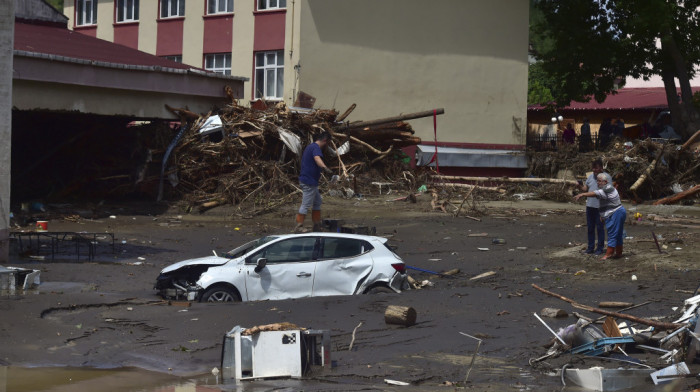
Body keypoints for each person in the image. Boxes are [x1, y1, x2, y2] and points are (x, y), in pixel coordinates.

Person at [574, 173, 626, 260]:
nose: (597, 182)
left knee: (612, 234)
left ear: (605, 182)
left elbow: (595, 193)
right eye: (597, 181)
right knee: (618, 234)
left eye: (599, 181)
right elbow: (604, 204)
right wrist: (602, 215)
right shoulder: (605, 188)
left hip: (616, 212)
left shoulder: (607, 188)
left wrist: (583, 194)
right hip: (616, 212)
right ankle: (619, 253)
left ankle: (609, 253)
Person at [296, 132, 333, 232]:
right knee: (306, 204)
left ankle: (316, 225)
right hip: (309, 181)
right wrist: (325, 168)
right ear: (325, 140)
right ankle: (299, 226)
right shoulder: (316, 148)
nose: (327, 146)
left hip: (311, 181)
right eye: (328, 143)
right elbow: (317, 158)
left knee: (317, 202)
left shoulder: (310, 147)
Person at [577, 160, 612, 255]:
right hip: (590, 206)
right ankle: (590, 247)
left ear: (601, 168)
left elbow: (604, 193)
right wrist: (580, 185)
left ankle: (600, 248)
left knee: (600, 228)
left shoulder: (606, 177)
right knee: (590, 228)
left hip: (600, 207)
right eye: (593, 168)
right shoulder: (591, 177)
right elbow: (586, 188)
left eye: (596, 168)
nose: (594, 170)